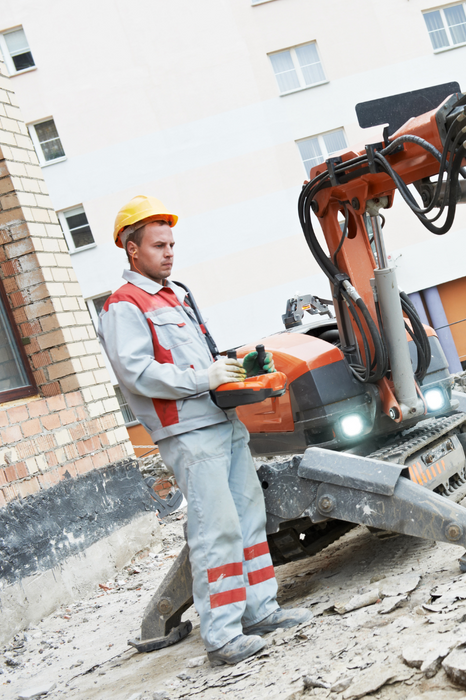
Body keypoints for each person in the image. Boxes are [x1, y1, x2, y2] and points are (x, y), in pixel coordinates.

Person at [98, 195, 311, 665]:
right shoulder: (123, 306)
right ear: (132, 250)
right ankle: (222, 636)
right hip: (188, 431)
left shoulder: (177, 294)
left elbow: (202, 358)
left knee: (249, 521)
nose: (169, 252)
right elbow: (136, 371)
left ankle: (259, 611)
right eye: (158, 245)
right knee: (216, 530)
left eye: (172, 243)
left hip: (221, 420)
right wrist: (203, 379)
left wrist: (238, 367)